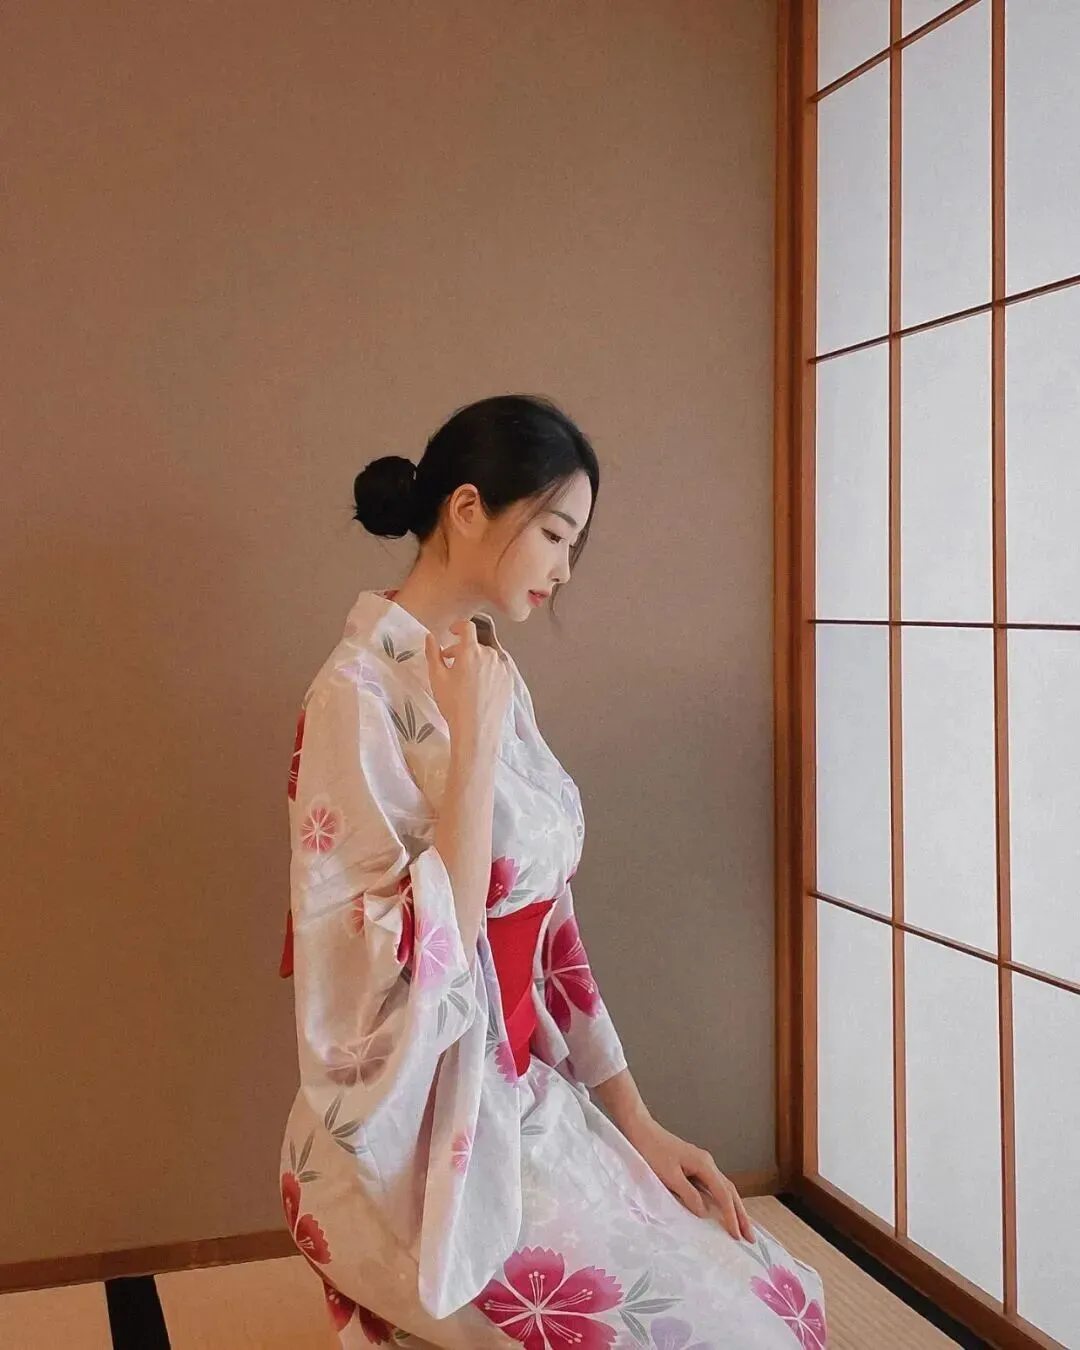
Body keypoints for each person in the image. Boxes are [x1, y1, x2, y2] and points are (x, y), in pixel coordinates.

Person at [278, 395, 827, 1348]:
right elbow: (404, 962)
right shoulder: (351, 695)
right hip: (420, 1137)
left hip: (523, 1093)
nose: (565, 568)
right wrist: (474, 744)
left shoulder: (486, 670)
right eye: (555, 534)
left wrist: (638, 1126)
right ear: (466, 509)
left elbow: (552, 929)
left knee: (775, 1303)